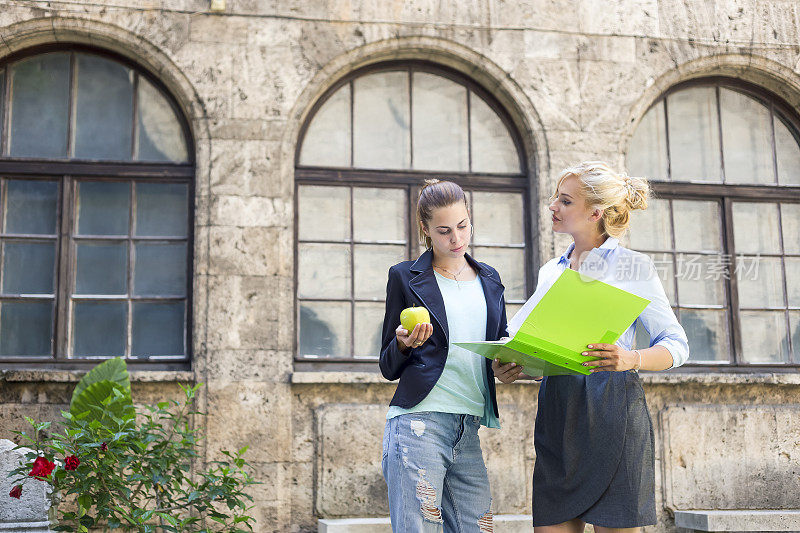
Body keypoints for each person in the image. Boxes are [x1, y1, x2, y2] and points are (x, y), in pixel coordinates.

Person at [494, 161, 689, 533]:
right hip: (557, 414)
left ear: (596, 213)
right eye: (555, 197)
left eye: (565, 200)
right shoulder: (552, 270)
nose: (553, 206)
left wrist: (630, 357)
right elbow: (540, 348)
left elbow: (677, 345)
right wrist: (515, 368)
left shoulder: (634, 267)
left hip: (613, 411)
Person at [379, 179, 508, 533]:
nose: (457, 239)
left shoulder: (491, 280)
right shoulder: (406, 277)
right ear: (426, 229)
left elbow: (498, 349)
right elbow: (387, 365)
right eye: (444, 230)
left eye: (463, 226)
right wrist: (405, 343)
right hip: (418, 423)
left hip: (468, 426)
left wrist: (514, 366)